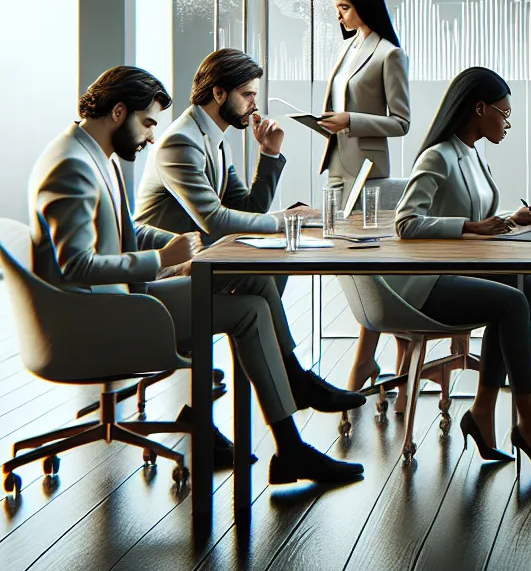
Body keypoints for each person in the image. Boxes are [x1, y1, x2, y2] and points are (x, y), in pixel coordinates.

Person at [31, 66, 361, 484]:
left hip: (122, 294)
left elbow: (125, 232)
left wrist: (177, 253)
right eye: (148, 123)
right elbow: (75, 266)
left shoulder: (97, 157)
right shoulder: (72, 167)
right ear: (118, 112)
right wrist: (161, 259)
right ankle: (292, 437)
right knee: (249, 311)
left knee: (256, 288)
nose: (152, 136)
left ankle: (292, 415)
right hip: (101, 315)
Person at [132, 49, 367, 473]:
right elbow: (218, 221)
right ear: (218, 92)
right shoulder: (179, 143)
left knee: (264, 281)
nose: (254, 104)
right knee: (261, 282)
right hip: (164, 272)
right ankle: (294, 385)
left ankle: (288, 422)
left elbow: (246, 208)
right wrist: (282, 220)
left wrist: (270, 155)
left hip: (201, 264)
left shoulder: (214, 141)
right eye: (247, 94)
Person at [382, 67, 531, 473]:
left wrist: (509, 219)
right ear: (479, 108)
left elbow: (471, 215)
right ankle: (528, 418)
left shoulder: (472, 152)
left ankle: (483, 411)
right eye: (503, 113)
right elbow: (406, 222)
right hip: (425, 286)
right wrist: (471, 227)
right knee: (513, 301)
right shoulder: (438, 155)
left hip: (456, 273)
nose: (507, 123)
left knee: (526, 287)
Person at [316, 0, 415, 394]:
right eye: (337, 8)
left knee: (368, 267)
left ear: (364, 5)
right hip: (338, 164)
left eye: (344, 8)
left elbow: (402, 122)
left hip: (368, 174)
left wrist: (351, 120)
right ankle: (372, 358)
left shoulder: (388, 54)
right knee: (352, 266)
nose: (339, 16)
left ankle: (366, 361)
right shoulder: (352, 46)